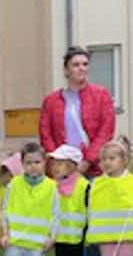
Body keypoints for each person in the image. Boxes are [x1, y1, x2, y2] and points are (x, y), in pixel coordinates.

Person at [38, 47, 116, 178]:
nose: (81, 68)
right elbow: (45, 134)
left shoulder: (102, 95)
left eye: (85, 64)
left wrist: (87, 161)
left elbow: (106, 131)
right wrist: (58, 161)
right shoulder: (51, 101)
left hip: (95, 168)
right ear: (66, 70)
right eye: (76, 65)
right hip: (62, 169)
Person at [2, 142, 59, 256]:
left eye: (37, 162)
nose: (33, 166)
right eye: (28, 163)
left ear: (44, 163)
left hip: (37, 240)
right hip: (15, 239)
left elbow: (56, 214)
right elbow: (5, 210)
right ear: (22, 164)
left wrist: (52, 236)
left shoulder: (51, 186)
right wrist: (5, 233)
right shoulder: (14, 184)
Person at [47, 145, 88, 256]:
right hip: (59, 234)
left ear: (72, 165)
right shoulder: (52, 185)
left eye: (60, 163)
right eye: (54, 163)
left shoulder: (83, 185)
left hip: (77, 234)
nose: (55, 167)